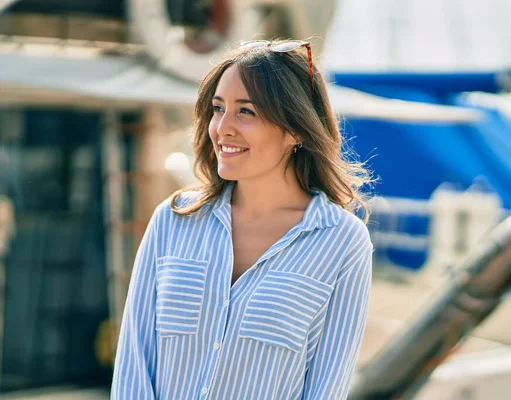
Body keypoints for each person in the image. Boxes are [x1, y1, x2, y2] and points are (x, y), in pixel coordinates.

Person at [111, 39, 374, 400]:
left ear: (296, 129)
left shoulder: (342, 241)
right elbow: (133, 363)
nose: (222, 128)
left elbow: (328, 384)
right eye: (218, 109)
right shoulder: (173, 220)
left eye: (246, 111)